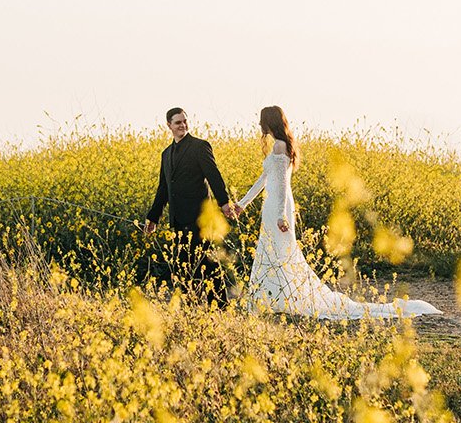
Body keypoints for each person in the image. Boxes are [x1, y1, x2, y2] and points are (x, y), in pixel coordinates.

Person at [234, 106, 440, 321]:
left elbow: (283, 185)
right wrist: (242, 204)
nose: (259, 125)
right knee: (274, 250)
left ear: (269, 122)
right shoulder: (282, 145)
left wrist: (280, 215)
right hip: (275, 205)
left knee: (281, 250)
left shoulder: (279, 146)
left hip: (278, 205)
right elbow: (263, 179)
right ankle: (277, 296)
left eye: (262, 121)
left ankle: (279, 297)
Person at [144, 106, 235, 298]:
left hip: (200, 218)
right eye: (178, 122)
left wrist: (224, 202)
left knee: (209, 264)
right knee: (182, 266)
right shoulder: (166, 154)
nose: (182, 125)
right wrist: (153, 218)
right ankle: (190, 307)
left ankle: (219, 306)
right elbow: (164, 189)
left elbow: (214, 176)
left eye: (185, 121)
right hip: (178, 219)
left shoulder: (199, 146)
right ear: (168, 125)